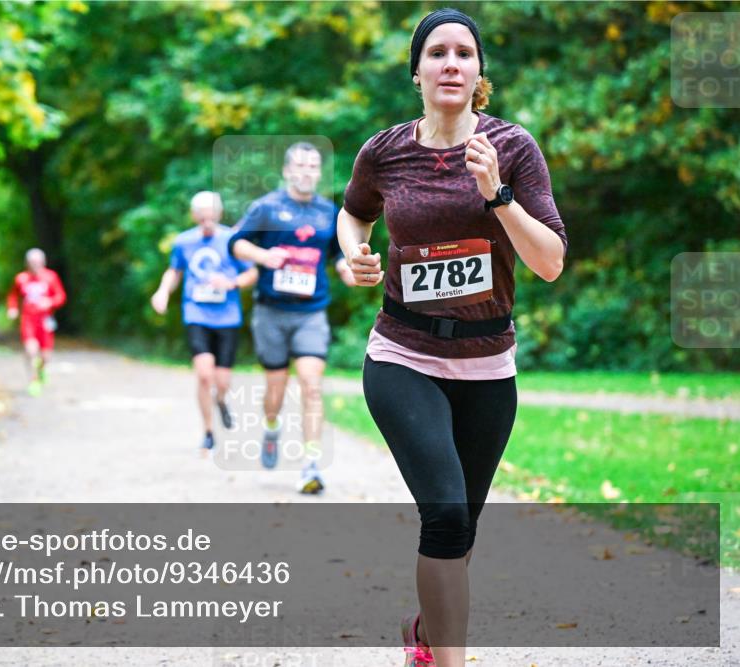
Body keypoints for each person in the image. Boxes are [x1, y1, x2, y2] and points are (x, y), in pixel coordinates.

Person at [337, 8, 567, 666]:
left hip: (487, 364)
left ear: (478, 72)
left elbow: (550, 262)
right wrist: (354, 255)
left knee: (461, 529)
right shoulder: (384, 151)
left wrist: (497, 193)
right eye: (436, 52)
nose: (450, 64)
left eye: (464, 53)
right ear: (416, 71)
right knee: (443, 515)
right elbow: (352, 216)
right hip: (402, 354)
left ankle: (427, 635)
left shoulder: (512, 148)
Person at [229, 142, 357, 494]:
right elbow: (236, 243)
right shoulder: (267, 207)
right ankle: (272, 426)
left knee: (311, 385)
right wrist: (263, 256)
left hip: (310, 313)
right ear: (287, 171)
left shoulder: (328, 212)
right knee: (276, 388)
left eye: (313, 166)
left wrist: (345, 268)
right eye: (300, 165)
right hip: (271, 312)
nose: (306, 172)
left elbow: (337, 253)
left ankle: (311, 464)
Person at [151, 191, 258, 450]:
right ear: (194, 216)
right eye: (202, 218)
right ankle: (208, 431)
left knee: (222, 381)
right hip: (196, 313)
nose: (207, 223)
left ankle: (221, 400)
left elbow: (252, 273)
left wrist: (231, 283)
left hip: (227, 317)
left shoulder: (232, 240)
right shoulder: (183, 241)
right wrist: (163, 291)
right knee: (203, 375)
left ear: (219, 214)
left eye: (211, 217)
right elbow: (174, 271)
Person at [7, 248, 67, 396]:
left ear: (43, 262)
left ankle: (41, 371)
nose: (35, 265)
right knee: (31, 350)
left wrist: (50, 302)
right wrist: (12, 308)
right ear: (27, 263)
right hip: (28, 320)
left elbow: (61, 296)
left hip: (45, 321)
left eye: (38, 262)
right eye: (32, 262)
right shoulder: (21, 278)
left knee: (46, 356)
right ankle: (33, 381)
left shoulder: (51, 277)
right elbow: (12, 296)